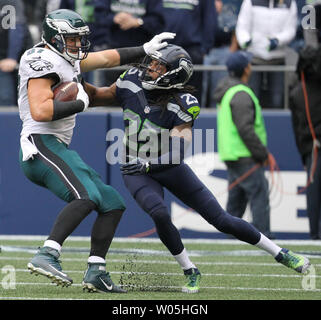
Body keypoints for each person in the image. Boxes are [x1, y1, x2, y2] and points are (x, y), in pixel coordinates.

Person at [88, 44, 311, 293]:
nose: (149, 67)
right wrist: (71, 78)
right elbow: (97, 96)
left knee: (221, 220)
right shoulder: (131, 80)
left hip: (165, 165)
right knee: (159, 213)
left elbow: (176, 154)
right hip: (136, 168)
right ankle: (189, 269)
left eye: (158, 65)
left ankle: (282, 254)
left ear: (173, 74)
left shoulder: (183, 103)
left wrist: (149, 163)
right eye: (151, 62)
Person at [18, 8, 175, 293]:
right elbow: (40, 111)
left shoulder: (67, 59)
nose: (78, 44)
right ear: (54, 38)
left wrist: (144, 52)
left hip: (58, 147)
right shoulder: (40, 60)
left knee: (112, 202)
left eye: (80, 38)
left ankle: (96, 271)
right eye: (73, 39)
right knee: (86, 196)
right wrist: (80, 102)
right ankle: (47, 253)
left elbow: (105, 60)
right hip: (39, 144)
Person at [214, 50, 276, 238]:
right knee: (259, 196)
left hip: (232, 155)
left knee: (236, 203)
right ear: (246, 69)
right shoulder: (240, 93)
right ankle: (264, 237)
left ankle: (229, 241)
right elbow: (245, 129)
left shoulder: (227, 92)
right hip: (245, 155)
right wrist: (262, 154)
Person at [235, 0, 298, 108]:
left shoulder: (289, 3)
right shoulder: (250, 2)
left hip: (278, 60)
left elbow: (291, 30)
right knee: (251, 99)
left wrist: (278, 40)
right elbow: (242, 26)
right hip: (254, 60)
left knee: (277, 100)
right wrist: (245, 40)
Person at [289, 45, 321, 240]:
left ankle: (314, 234)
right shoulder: (297, 93)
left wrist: (304, 152)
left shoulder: (296, 92)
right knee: (314, 191)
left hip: (311, 148)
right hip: (313, 148)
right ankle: (315, 235)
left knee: (313, 190)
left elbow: (297, 128)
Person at [161, 0, 217, 105]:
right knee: (162, 95)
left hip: (192, 51)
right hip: (164, 49)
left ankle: (192, 121)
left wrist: (204, 49)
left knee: (191, 97)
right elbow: (154, 16)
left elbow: (210, 19)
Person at [0, 0, 32, 106]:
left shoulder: (9, 2)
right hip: (4, 59)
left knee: (7, 99)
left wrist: (11, 57)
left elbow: (16, 28)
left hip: (16, 61)